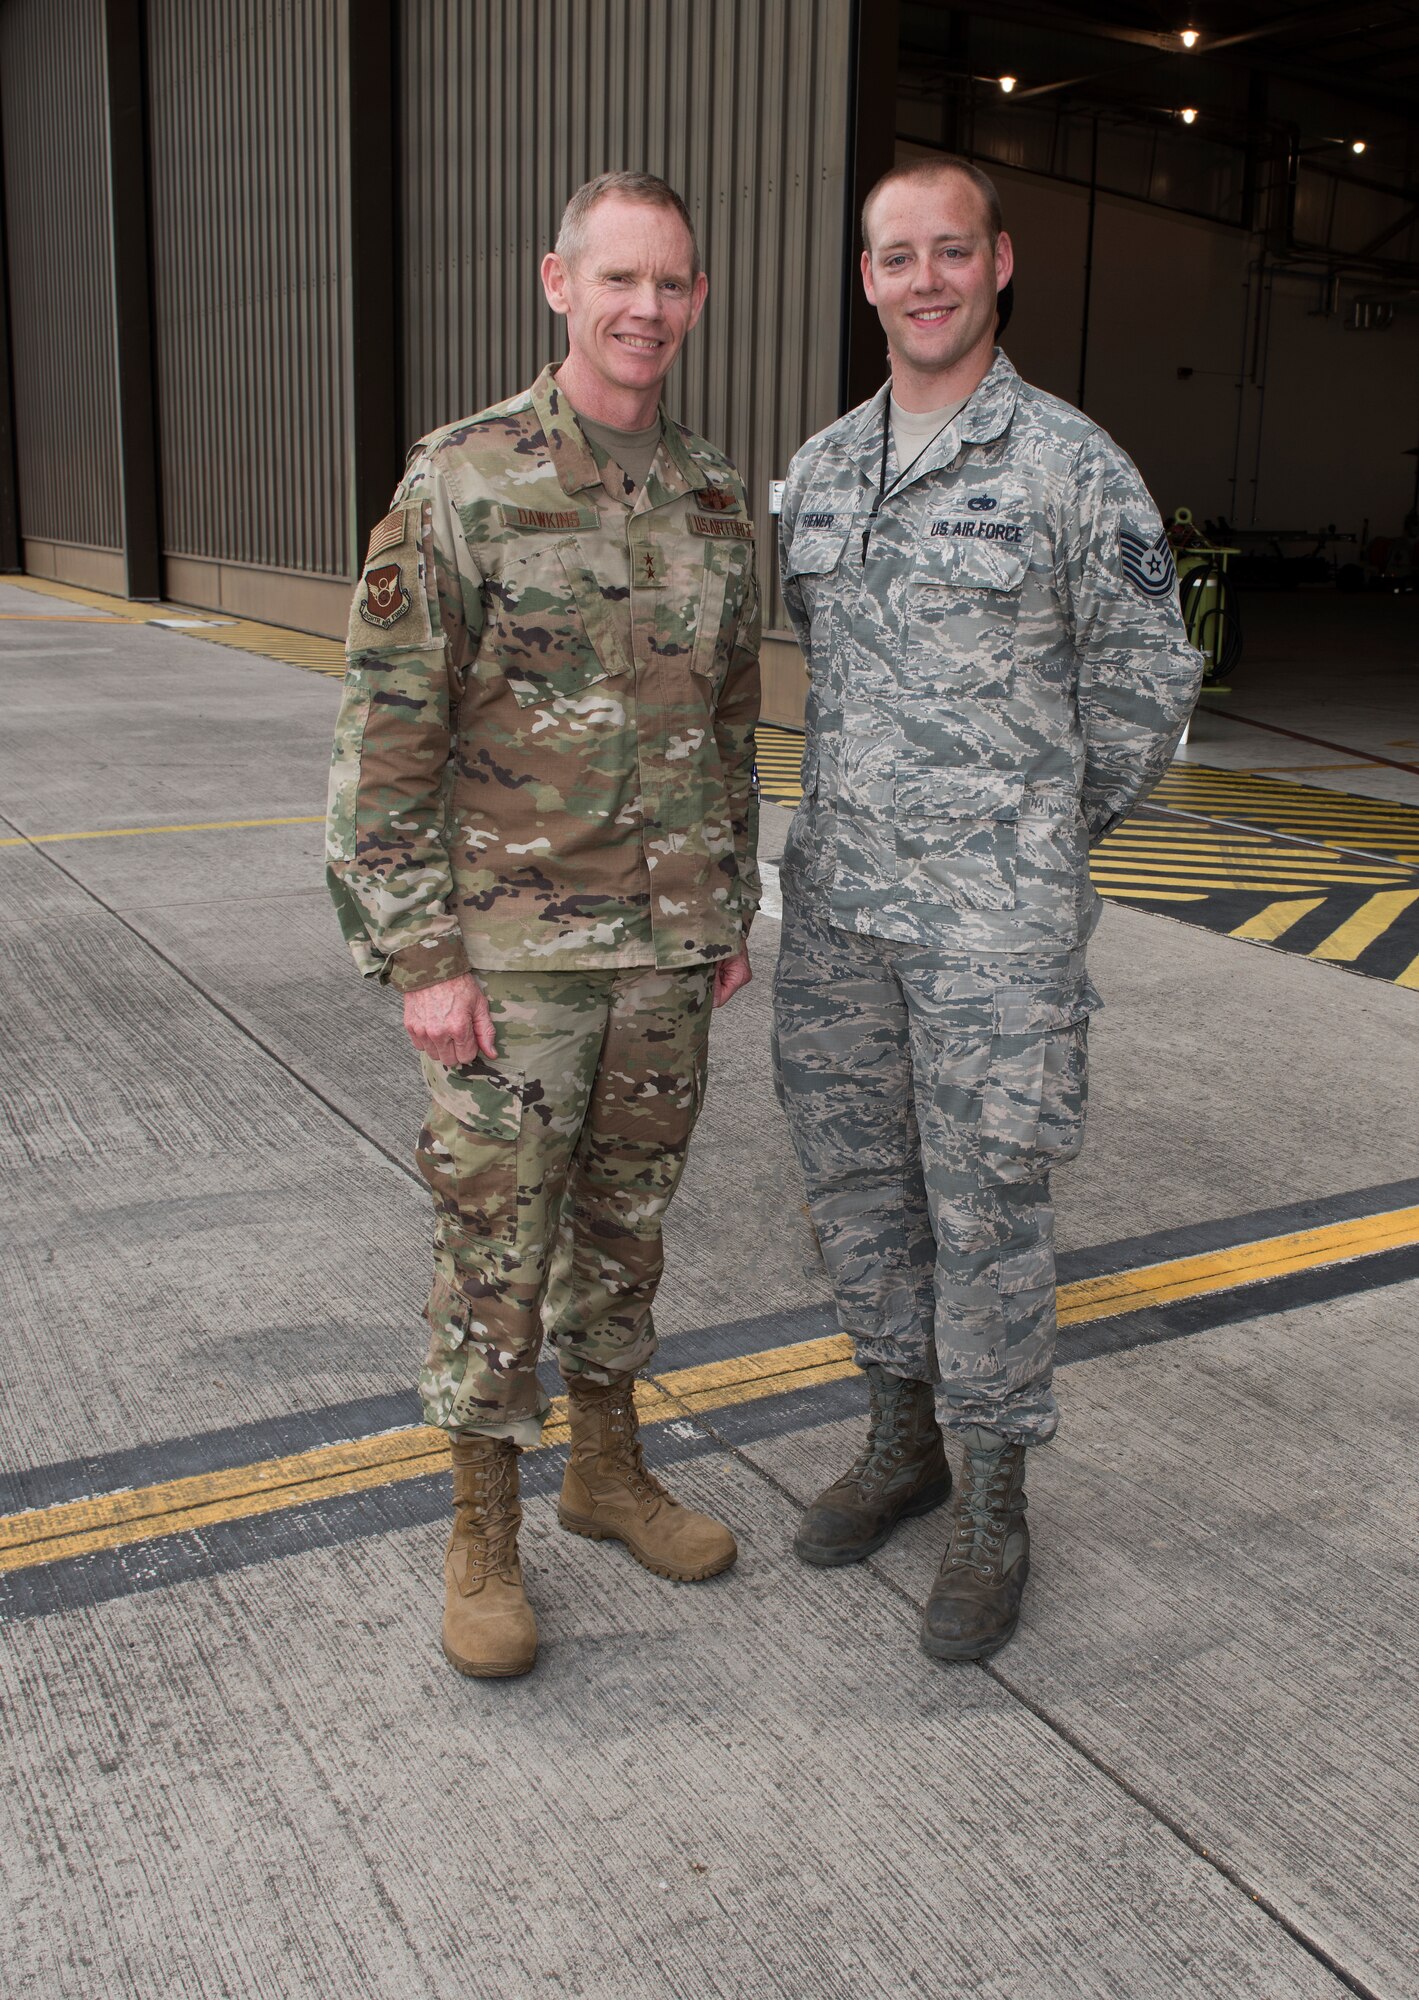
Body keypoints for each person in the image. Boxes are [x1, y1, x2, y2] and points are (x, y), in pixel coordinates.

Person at [326, 172, 761, 1679]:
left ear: (698, 300)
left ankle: (605, 1469)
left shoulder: (711, 496)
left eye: (675, 283)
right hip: (511, 961)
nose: (650, 308)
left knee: (625, 1233)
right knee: (495, 1248)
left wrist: (726, 901)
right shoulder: (463, 480)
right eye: (620, 279)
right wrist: (421, 954)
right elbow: (389, 727)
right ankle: (482, 1529)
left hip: (663, 952)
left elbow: (732, 723)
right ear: (556, 285)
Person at [773, 156, 1201, 1663]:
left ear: (1000, 263)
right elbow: (821, 662)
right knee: (861, 1190)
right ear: (868, 278)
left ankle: (996, 1501)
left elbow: (1152, 689)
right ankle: (903, 1443)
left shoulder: (1074, 466)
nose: (927, 279)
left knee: (990, 1212)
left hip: (992, 938)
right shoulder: (823, 469)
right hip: (839, 920)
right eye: (899, 257)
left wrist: (1032, 844)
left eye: (953, 252)